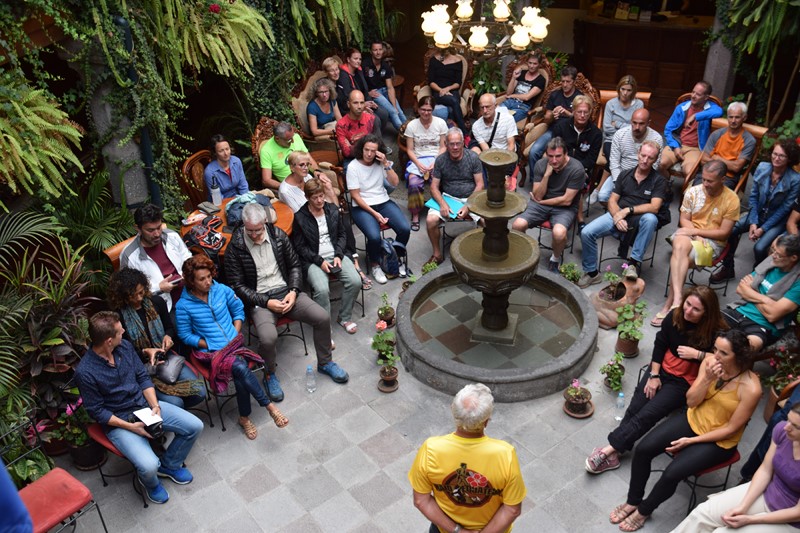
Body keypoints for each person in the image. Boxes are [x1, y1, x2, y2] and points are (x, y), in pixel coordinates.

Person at [609, 329, 761, 532]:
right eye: (715, 349)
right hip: (693, 419)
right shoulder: (709, 363)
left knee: (671, 474)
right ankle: (633, 501)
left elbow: (731, 429)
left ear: (739, 356)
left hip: (718, 440)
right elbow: (691, 401)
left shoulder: (751, 388)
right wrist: (707, 379)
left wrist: (691, 441)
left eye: (723, 353)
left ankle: (644, 511)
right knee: (643, 449)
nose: (716, 356)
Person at [585, 286, 727, 474]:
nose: (688, 311)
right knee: (636, 406)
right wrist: (654, 375)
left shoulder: (716, 332)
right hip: (661, 369)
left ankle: (607, 450)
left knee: (648, 415)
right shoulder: (675, 316)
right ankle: (616, 451)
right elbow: (660, 344)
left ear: (706, 312)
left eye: (696, 309)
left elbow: (724, 360)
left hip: (683, 381)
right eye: (687, 304)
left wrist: (698, 354)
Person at [225, 203, 350, 402]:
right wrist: (267, 302)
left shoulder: (278, 236)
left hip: (286, 291)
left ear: (265, 222)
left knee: (322, 317)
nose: (255, 235)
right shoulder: (235, 246)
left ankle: (325, 363)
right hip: (260, 299)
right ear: (243, 225)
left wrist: (293, 291)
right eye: (250, 231)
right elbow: (237, 286)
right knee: (268, 338)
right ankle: (269, 375)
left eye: (258, 230)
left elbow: (294, 266)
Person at [76, 311, 204, 504]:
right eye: (120, 331)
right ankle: (151, 484)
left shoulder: (125, 347)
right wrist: (131, 427)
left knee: (194, 426)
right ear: (109, 341)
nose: (124, 332)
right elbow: (97, 411)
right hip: (119, 421)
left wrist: (155, 405)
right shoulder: (85, 372)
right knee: (149, 465)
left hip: (144, 406)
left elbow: (142, 378)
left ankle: (169, 465)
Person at [175, 255, 289, 440]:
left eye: (209, 276)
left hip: (234, 344)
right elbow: (185, 335)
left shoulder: (221, 289)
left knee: (239, 371)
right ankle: (269, 407)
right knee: (239, 367)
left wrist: (235, 332)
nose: (208, 282)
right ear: (191, 281)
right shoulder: (183, 306)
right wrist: (209, 344)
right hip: (211, 352)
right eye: (202, 279)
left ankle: (245, 418)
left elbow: (238, 310)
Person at [408, 383, 526, 533]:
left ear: (453, 411)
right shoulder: (505, 455)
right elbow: (512, 510)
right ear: (486, 421)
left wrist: (458, 531)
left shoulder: (431, 449)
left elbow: (421, 501)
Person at [672, 402, 800, 532]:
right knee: (702, 514)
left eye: (795, 426)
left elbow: (797, 513)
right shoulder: (782, 430)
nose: (787, 427)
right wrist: (743, 507)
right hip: (768, 491)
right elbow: (765, 471)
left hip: (791, 519)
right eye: (788, 420)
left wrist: (750, 519)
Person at [652, 160, 739, 327]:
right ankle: (677, 300)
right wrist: (695, 233)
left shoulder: (732, 199)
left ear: (723, 179)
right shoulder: (693, 191)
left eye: (710, 181)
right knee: (680, 246)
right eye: (704, 179)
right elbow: (684, 220)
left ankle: (670, 304)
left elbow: (724, 232)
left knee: (680, 259)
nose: (705, 184)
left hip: (712, 242)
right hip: (690, 233)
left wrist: (697, 234)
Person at [108, 268, 206, 409]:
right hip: (141, 367)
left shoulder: (156, 302)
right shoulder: (118, 316)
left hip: (166, 357)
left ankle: (175, 412)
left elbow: (169, 328)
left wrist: (168, 337)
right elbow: (122, 351)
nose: (139, 298)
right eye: (133, 296)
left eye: (141, 292)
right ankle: (174, 412)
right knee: (176, 403)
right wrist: (145, 351)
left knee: (199, 392)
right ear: (123, 296)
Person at [578, 141, 666, 286]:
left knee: (651, 219)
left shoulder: (659, 180)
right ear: (638, 154)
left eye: (650, 158)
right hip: (618, 214)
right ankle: (592, 273)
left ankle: (633, 263)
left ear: (655, 159)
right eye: (643, 155)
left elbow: (655, 207)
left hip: (640, 218)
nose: (645, 160)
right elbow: (612, 200)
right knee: (587, 232)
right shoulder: (625, 174)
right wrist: (617, 217)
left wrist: (628, 210)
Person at [712, 139, 800, 281]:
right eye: (774, 154)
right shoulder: (763, 167)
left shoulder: (795, 179)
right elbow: (753, 197)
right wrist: (753, 222)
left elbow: (785, 209)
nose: (776, 158)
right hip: (757, 214)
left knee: (759, 248)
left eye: (781, 156)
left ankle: (757, 276)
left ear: (789, 158)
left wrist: (762, 229)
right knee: (729, 231)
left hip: (776, 220)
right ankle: (728, 268)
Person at [291, 177, 362, 334]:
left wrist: (338, 254)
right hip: (313, 259)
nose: (319, 200)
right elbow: (300, 247)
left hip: (335, 254)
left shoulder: (332, 210)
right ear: (307, 197)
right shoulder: (300, 217)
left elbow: (342, 234)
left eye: (321, 196)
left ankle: (344, 317)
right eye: (315, 198)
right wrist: (319, 261)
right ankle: (324, 328)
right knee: (322, 290)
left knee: (355, 281)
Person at [512, 136, 586, 272]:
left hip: (564, 208)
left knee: (559, 233)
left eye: (558, 156)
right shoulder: (541, 164)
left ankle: (555, 259)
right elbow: (538, 195)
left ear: (566, 154)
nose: (554, 160)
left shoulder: (576, 169)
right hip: (540, 204)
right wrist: (546, 175)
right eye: (550, 156)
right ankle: (525, 252)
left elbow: (566, 200)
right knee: (517, 225)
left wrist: (542, 201)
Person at [347, 134, 410, 284]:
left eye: (373, 151)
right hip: (362, 206)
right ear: (361, 149)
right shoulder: (353, 167)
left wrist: (386, 163)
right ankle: (375, 263)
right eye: (366, 150)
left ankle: (395, 257)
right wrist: (375, 214)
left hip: (382, 201)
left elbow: (394, 183)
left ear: (378, 151)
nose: (369, 154)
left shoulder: (380, 164)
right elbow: (355, 196)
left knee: (405, 229)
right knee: (374, 237)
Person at [723, 233, 800, 352]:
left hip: (762, 325)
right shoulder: (771, 261)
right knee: (704, 326)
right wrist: (766, 300)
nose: (773, 256)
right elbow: (741, 288)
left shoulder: (797, 282)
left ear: (793, 258)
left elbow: (772, 315)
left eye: (778, 254)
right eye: (773, 251)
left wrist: (751, 292)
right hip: (739, 310)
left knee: (740, 351)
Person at [426, 128, 484, 265]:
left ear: (463, 143)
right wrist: (442, 204)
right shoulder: (441, 160)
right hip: (448, 197)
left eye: (458, 143)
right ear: (446, 144)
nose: (455, 147)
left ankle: (483, 254)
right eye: (452, 144)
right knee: (430, 220)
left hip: (471, 197)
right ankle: (437, 254)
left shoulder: (473, 157)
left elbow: (480, 184)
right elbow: (433, 187)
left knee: (488, 221)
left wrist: (468, 205)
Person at [120, 203, 192, 312]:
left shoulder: (171, 236)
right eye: (150, 230)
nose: (157, 234)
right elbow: (130, 291)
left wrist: (188, 273)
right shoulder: (129, 255)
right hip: (163, 307)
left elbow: (188, 259)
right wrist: (159, 288)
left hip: (190, 292)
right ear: (138, 229)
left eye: (159, 227)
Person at [659, 81, 723, 179]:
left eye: (698, 94)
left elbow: (719, 111)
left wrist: (696, 116)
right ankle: (666, 184)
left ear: (706, 97)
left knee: (689, 172)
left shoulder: (710, 108)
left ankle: (686, 189)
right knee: (660, 164)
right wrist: (675, 147)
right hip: (678, 143)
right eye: (693, 92)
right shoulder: (682, 108)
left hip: (695, 148)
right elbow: (668, 130)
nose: (693, 96)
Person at [525, 65, 583, 171]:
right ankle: (535, 179)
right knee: (534, 152)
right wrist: (551, 115)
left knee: (558, 156)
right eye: (563, 81)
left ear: (574, 81)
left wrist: (567, 113)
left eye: (568, 82)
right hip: (553, 130)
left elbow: (582, 120)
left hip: (571, 132)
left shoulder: (579, 97)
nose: (564, 84)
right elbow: (547, 120)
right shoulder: (555, 95)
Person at [404, 95, 448, 231]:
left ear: (433, 110)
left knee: (442, 181)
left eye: (429, 110)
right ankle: (415, 213)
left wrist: (436, 162)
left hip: (437, 158)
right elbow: (409, 150)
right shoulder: (412, 125)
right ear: (418, 109)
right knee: (414, 183)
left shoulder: (440, 123)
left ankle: (441, 208)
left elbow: (443, 147)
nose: (426, 112)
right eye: (423, 109)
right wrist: (418, 164)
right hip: (418, 159)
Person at [698, 101, 757, 189]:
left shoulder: (749, 140)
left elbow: (736, 167)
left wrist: (717, 158)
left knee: (716, 193)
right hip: (708, 174)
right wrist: (728, 164)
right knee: (695, 191)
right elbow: (703, 160)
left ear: (744, 118)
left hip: (728, 177)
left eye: (737, 117)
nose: (733, 121)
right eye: (730, 117)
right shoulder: (716, 134)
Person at [259, 122, 323, 191]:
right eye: (289, 140)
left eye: (293, 136)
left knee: (327, 185)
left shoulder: (296, 137)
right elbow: (266, 180)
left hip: (307, 179)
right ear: (277, 138)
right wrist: (288, 188)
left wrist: (317, 171)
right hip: (291, 186)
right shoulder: (266, 151)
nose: (292, 141)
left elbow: (309, 159)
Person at [337, 48, 390, 130]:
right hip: (351, 107)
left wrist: (370, 102)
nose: (358, 61)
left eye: (360, 59)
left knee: (384, 114)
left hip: (363, 102)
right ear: (348, 59)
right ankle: (370, 136)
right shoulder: (343, 76)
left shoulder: (359, 71)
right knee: (375, 120)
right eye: (355, 59)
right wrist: (363, 105)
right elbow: (346, 98)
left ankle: (377, 134)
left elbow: (365, 90)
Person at [364, 40, 407, 130]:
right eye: (375, 50)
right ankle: (402, 132)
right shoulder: (365, 65)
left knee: (399, 111)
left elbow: (390, 87)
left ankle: (410, 130)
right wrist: (367, 93)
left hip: (385, 90)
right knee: (392, 111)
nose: (378, 52)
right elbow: (359, 83)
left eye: (380, 49)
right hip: (376, 93)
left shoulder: (385, 66)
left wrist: (394, 106)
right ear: (371, 51)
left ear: (383, 51)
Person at [602, 75, 645, 162]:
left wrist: (617, 124)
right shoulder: (611, 104)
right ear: (619, 89)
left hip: (631, 141)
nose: (625, 93)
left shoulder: (638, 104)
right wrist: (628, 127)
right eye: (623, 89)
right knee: (613, 160)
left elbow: (637, 129)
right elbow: (606, 128)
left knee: (629, 161)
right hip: (611, 140)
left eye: (629, 90)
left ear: (633, 91)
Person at [426, 47, 469, 134]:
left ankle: (450, 133)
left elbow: (458, 83)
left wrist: (447, 89)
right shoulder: (434, 60)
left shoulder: (458, 61)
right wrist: (441, 90)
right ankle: (464, 133)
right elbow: (431, 82)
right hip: (438, 91)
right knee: (454, 101)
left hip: (452, 90)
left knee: (451, 109)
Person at [335, 90, 381, 165]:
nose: (359, 106)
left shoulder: (372, 119)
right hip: (351, 160)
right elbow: (347, 152)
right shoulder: (341, 125)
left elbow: (378, 146)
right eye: (355, 103)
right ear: (348, 104)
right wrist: (368, 147)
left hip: (371, 157)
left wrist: (353, 147)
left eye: (362, 103)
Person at [499, 51, 546, 122]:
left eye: (535, 64)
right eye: (530, 63)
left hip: (523, 106)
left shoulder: (541, 80)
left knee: (506, 120)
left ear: (539, 64)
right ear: (527, 63)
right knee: (495, 115)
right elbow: (508, 93)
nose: (531, 66)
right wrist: (513, 77)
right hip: (510, 102)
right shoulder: (521, 73)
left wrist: (512, 95)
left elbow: (527, 97)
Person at [203, 134, 249, 201]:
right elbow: (218, 198)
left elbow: (243, 186)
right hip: (222, 203)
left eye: (227, 149)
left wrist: (246, 200)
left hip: (239, 198)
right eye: (221, 151)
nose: (226, 153)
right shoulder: (210, 172)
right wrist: (235, 202)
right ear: (215, 152)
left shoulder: (236, 161)